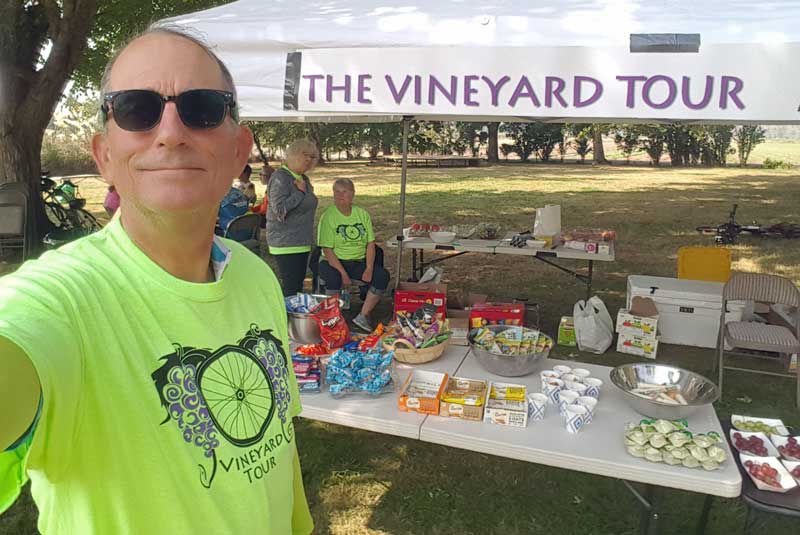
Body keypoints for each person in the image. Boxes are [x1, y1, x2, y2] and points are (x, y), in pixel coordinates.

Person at [0, 26, 313, 535]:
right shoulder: (59, 300)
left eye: (203, 107)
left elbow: (276, 447)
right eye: (136, 110)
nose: (170, 131)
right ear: (104, 156)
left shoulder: (255, 275)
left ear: (239, 151)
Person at [317, 178, 390, 332]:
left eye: (344, 191)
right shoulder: (328, 217)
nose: (339, 195)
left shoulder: (362, 214)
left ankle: (363, 315)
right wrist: (343, 274)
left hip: (357, 260)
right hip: (333, 261)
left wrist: (369, 267)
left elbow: (370, 244)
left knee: (381, 276)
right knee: (333, 277)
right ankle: (333, 318)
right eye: (336, 191)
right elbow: (327, 250)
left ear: (353, 194)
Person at [266, 140, 319, 296]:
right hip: (286, 242)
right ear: (294, 155)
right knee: (291, 289)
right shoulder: (280, 178)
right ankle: (285, 319)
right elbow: (280, 211)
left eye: (312, 157)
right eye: (305, 155)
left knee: (297, 287)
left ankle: (295, 319)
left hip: (301, 241)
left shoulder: (303, 178)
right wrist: (299, 193)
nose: (309, 160)